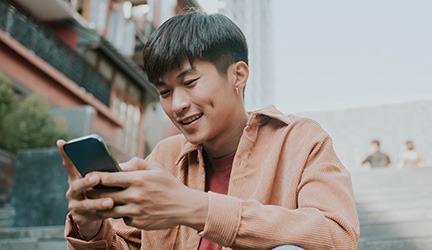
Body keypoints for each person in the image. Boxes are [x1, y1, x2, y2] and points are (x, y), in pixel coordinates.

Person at [56, 11, 359, 250]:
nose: (177, 105)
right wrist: (91, 226)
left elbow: (337, 236)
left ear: (238, 75)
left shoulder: (300, 140)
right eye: (164, 91)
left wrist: (194, 208)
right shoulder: (165, 155)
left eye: (189, 83)